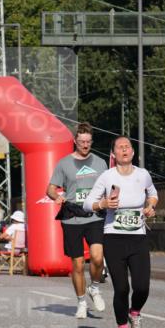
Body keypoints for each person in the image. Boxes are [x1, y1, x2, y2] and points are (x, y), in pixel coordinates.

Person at [83, 136, 158, 328]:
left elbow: (153, 195)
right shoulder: (107, 177)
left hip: (138, 237)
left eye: (128, 147)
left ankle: (135, 313)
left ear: (133, 152)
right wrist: (103, 203)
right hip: (114, 237)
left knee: (142, 286)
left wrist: (151, 206)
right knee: (122, 288)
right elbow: (88, 204)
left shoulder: (143, 175)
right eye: (120, 147)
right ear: (114, 154)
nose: (124, 150)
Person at [47, 122, 108, 318]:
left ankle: (95, 287)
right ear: (75, 141)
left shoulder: (100, 163)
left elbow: (108, 187)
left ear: (91, 141)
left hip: (94, 216)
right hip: (72, 217)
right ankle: (81, 301)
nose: (85, 145)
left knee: (98, 257)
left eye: (88, 142)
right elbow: (50, 188)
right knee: (78, 264)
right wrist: (56, 196)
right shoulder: (64, 163)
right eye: (81, 142)